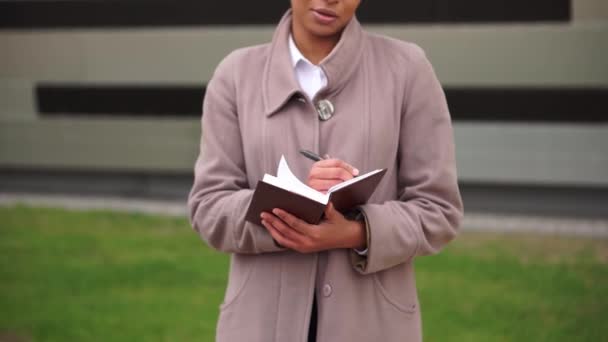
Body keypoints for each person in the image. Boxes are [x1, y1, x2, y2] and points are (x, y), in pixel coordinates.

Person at [188, 1, 463, 341]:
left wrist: (355, 232)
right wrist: (291, 212)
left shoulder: (407, 69)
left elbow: (439, 210)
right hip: (257, 325)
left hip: (374, 326)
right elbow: (208, 207)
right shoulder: (236, 74)